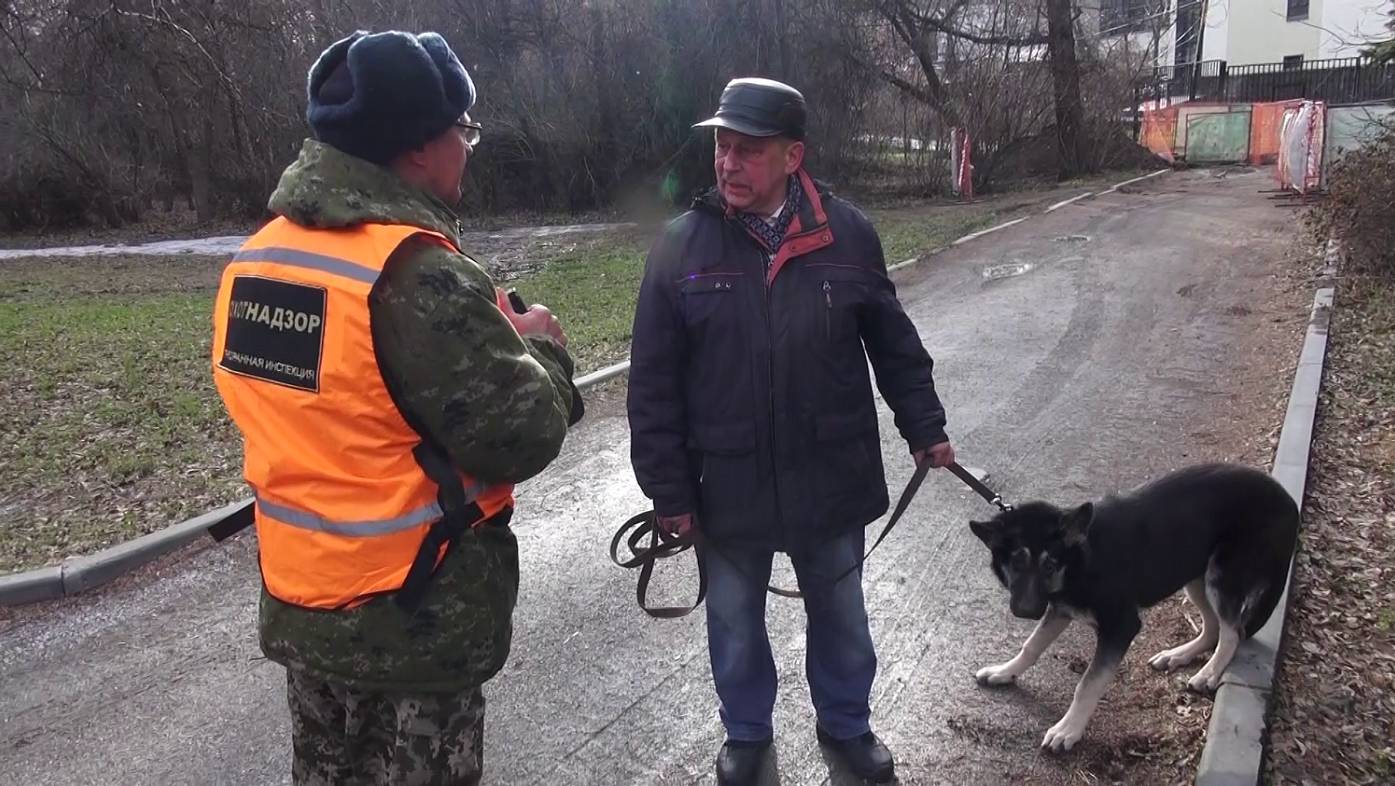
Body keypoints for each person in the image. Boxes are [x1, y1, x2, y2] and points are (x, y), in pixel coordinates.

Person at [210, 30, 579, 785]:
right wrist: (540, 345)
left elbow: (345, 405)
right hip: (409, 622)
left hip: (303, 609)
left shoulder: (258, 261)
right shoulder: (414, 275)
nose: (468, 148)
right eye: (463, 131)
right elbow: (522, 432)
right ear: (417, 148)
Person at [626, 77, 955, 785]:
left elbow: (893, 346)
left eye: (748, 150)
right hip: (726, 480)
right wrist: (667, 491)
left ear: (792, 156)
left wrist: (925, 426)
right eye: (721, 146)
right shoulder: (680, 247)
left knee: (841, 613)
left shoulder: (849, 236)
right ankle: (746, 734)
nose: (727, 163)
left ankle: (846, 725)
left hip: (829, 472)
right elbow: (651, 385)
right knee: (734, 623)